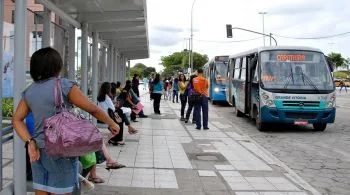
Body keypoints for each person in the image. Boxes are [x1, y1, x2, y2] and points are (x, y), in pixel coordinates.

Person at [12, 47, 120, 195]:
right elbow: (92, 109)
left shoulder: (30, 90)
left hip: (37, 151)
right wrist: (111, 122)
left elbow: (17, 120)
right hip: (60, 150)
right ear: (57, 65)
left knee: (42, 191)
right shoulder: (64, 85)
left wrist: (30, 141)